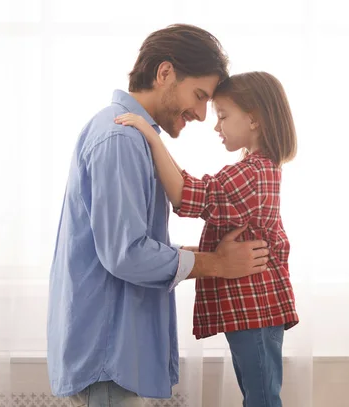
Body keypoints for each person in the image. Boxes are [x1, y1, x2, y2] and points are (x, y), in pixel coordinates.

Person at [47, 24, 270, 407]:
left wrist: (206, 254)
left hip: (113, 357)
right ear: (165, 73)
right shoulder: (121, 138)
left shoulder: (129, 135)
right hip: (108, 359)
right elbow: (126, 254)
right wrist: (216, 263)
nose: (201, 114)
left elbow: (125, 243)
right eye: (199, 96)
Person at [115, 71, 299, 407]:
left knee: (261, 397)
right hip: (252, 309)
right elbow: (193, 189)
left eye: (224, 117)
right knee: (259, 394)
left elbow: (188, 196)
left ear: (254, 119)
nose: (217, 126)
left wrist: (154, 141)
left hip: (255, 308)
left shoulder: (252, 173)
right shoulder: (257, 168)